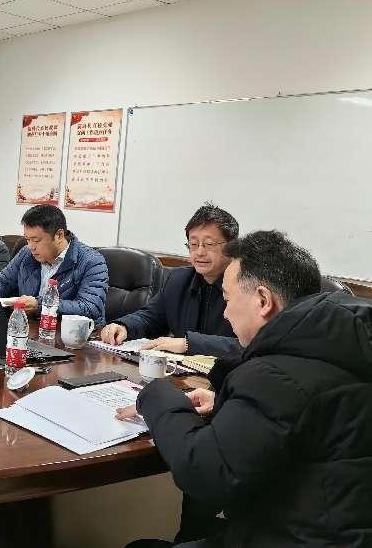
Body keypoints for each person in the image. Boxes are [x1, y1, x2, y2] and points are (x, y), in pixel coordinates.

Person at [118, 231, 372, 547]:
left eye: (227, 299)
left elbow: (204, 472)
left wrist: (156, 394)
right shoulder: (344, 343)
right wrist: (227, 402)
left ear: (263, 301)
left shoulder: (277, 373)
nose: (225, 313)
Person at [101, 203, 241, 359]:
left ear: (232, 247)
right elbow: (151, 317)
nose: (199, 252)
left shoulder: (247, 288)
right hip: (179, 370)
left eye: (209, 244)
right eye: (193, 244)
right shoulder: (179, 280)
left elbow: (251, 346)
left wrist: (189, 344)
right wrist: (124, 326)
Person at [0, 205, 108, 325]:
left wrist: (40, 305)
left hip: (73, 335)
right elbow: (3, 281)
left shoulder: (91, 261)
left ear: (59, 235)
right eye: (27, 239)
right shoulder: (26, 253)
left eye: (36, 240)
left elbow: (90, 307)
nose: (31, 246)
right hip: (31, 328)